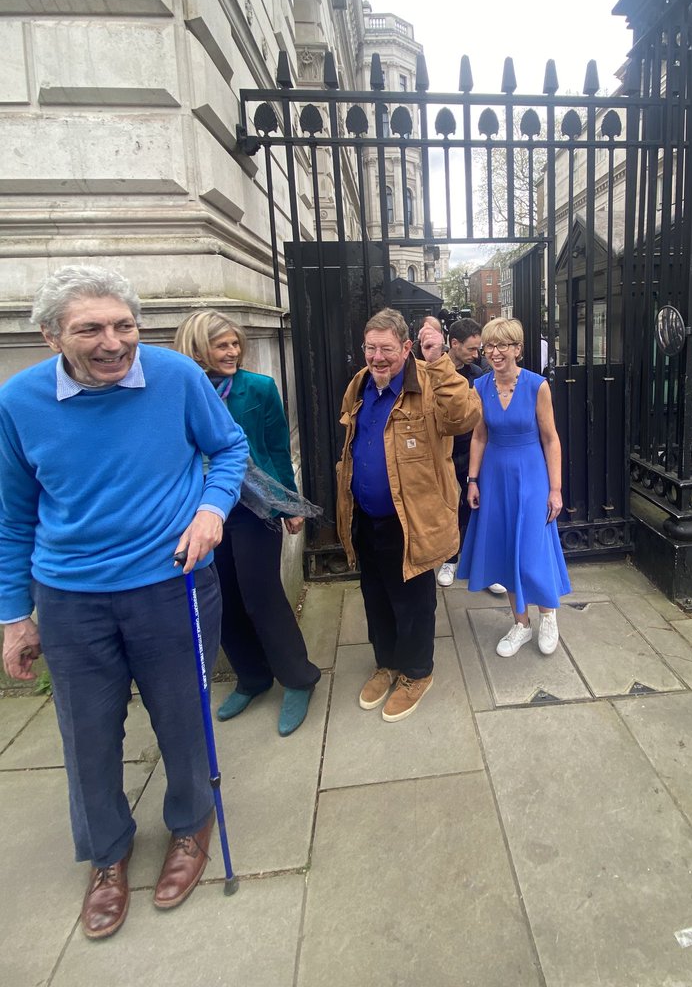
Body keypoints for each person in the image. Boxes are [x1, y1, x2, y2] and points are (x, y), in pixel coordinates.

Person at [0, 266, 248, 940]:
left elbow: (228, 450)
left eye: (124, 326)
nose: (113, 343)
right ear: (51, 335)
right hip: (71, 596)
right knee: (85, 735)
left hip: (172, 583)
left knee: (183, 716)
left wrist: (210, 507)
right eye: (91, 328)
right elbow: (12, 515)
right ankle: (107, 855)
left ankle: (192, 822)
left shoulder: (176, 377)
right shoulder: (18, 401)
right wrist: (12, 616)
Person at [174, 310, 321, 738]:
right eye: (222, 345)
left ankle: (299, 677)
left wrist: (289, 504)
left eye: (235, 343)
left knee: (261, 594)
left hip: (255, 509)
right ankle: (253, 677)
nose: (233, 351)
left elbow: (276, 449)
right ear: (198, 348)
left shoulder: (259, 388)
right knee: (220, 599)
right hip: (200, 513)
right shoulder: (181, 394)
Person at [335, 308, 480, 721]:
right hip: (365, 515)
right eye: (370, 348)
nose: (377, 357)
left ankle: (417, 672)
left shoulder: (430, 382)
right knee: (375, 595)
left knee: (413, 601)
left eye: (386, 349)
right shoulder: (360, 384)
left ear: (406, 347)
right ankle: (388, 663)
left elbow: (467, 416)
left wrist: (443, 365)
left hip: (411, 517)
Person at [458, 316, 571, 656]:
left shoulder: (538, 386)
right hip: (495, 475)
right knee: (507, 549)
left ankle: (548, 615)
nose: (494, 352)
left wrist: (555, 489)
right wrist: (473, 480)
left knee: (532, 549)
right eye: (489, 346)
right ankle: (521, 624)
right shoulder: (479, 387)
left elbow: (551, 440)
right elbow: (479, 436)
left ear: (518, 349)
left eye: (502, 345)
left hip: (531, 475)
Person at [435, 319, 504, 595]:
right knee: (450, 507)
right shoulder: (433, 372)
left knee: (479, 506)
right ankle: (450, 559)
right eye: (472, 349)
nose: (477, 355)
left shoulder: (479, 374)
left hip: (475, 450)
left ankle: (484, 567)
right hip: (444, 453)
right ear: (454, 344)